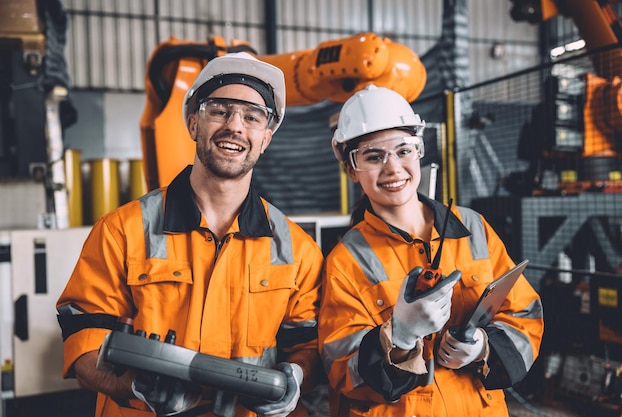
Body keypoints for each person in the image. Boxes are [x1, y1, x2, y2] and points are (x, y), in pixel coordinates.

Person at [56, 52, 324, 417]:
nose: (235, 126)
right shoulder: (121, 231)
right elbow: (82, 338)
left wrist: (296, 377)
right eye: (220, 110)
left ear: (266, 138)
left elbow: (306, 346)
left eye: (252, 117)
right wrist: (132, 388)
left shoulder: (298, 251)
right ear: (193, 123)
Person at [318, 84, 544, 416]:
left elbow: (525, 315)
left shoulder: (472, 227)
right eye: (373, 156)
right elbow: (342, 368)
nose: (393, 168)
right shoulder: (347, 260)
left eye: (403, 150)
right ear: (352, 169)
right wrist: (400, 337)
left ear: (420, 152)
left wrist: (482, 347)